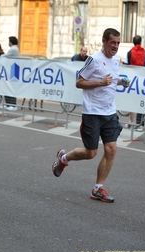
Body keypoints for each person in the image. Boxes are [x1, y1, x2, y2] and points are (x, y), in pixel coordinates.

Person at [52, 28, 130, 203]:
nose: (116, 46)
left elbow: (112, 78)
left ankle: (98, 188)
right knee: (91, 153)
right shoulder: (93, 60)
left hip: (109, 112)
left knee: (111, 149)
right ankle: (63, 158)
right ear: (104, 41)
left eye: (118, 43)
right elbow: (79, 82)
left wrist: (121, 81)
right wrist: (100, 82)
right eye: (112, 43)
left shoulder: (117, 59)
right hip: (92, 113)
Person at [125, 35, 145, 129]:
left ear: (133, 42)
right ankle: (141, 123)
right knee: (141, 101)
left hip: (132, 80)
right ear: (141, 42)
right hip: (142, 80)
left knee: (131, 101)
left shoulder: (130, 52)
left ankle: (131, 121)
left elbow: (126, 65)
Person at [1, 36, 19, 111]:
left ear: (11, 42)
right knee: (8, 87)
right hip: (11, 69)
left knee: (10, 87)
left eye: (9, 41)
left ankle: (12, 104)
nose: (8, 43)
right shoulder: (14, 48)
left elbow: (3, 56)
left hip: (12, 70)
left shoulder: (14, 49)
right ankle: (8, 104)